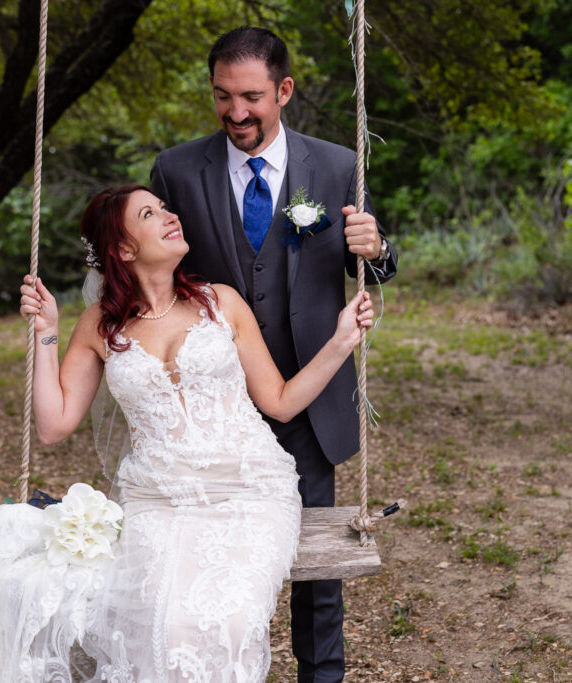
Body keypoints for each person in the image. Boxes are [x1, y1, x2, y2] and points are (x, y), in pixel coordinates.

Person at [0, 184, 373, 682]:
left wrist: (341, 342)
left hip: (250, 493)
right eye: (149, 213)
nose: (169, 215)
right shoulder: (99, 326)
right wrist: (46, 333)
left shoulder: (221, 303)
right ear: (123, 248)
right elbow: (53, 426)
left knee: (231, 618)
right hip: (157, 501)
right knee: (166, 626)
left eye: (164, 207)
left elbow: (281, 402)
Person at [149, 27, 398, 681]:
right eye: (223, 97)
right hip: (217, 410)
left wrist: (377, 248)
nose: (236, 113)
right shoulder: (176, 171)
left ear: (283, 91)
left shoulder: (338, 166)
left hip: (310, 402)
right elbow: (153, 276)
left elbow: (369, 260)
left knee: (318, 574)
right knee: (215, 568)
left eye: (252, 97)